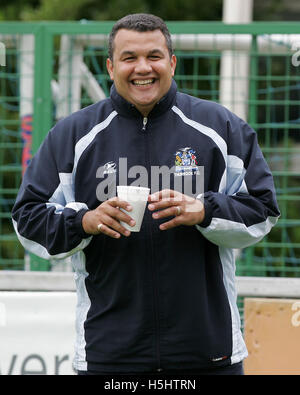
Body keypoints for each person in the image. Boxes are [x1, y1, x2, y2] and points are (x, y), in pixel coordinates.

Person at [12, 13, 280, 375]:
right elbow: (27, 219)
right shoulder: (72, 136)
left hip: (207, 354)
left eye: (154, 56)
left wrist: (204, 211)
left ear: (171, 62)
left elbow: (263, 210)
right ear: (110, 66)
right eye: (129, 58)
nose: (143, 68)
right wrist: (85, 221)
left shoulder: (221, 128)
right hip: (109, 355)